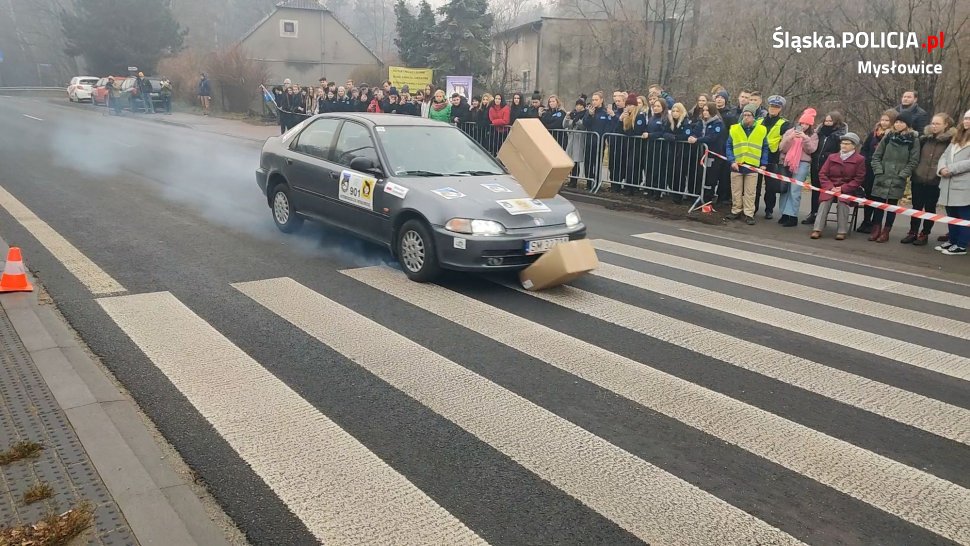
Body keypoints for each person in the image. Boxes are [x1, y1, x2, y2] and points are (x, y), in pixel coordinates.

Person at [869, 109, 921, 242]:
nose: (898, 124)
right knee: (879, 205)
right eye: (896, 122)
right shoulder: (888, 136)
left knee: (892, 206)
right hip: (882, 175)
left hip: (898, 178)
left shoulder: (913, 140)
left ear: (907, 124)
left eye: (901, 122)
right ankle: (876, 229)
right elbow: (876, 156)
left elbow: (913, 161)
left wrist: (903, 174)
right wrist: (878, 170)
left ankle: (886, 231)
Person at [903, 113, 954, 245]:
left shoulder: (950, 142)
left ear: (946, 125)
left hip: (935, 180)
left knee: (930, 208)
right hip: (918, 178)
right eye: (933, 123)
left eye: (938, 124)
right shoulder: (924, 139)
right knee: (916, 207)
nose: (934, 126)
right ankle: (912, 231)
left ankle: (924, 233)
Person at [811, 132, 866, 240]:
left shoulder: (860, 159)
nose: (844, 145)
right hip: (830, 187)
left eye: (847, 143)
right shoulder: (832, 157)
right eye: (842, 143)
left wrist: (843, 188)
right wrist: (831, 187)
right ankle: (817, 229)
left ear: (854, 146)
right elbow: (823, 174)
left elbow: (859, 179)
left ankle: (842, 231)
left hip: (847, 189)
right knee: (824, 202)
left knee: (843, 202)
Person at [725, 103, 769, 224]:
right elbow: (729, 146)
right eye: (744, 115)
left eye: (749, 115)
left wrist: (764, 163)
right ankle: (736, 210)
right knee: (736, 190)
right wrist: (732, 160)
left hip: (752, 165)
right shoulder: (734, 129)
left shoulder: (761, 130)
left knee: (750, 192)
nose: (746, 117)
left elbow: (765, 148)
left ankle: (749, 213)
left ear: (754, 116)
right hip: (737, 165)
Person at [935, 109, 970, 255]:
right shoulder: (957, 137)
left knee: (964, 216)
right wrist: (942, 168)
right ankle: (952, 240)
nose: (967, 121)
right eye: (966, 118)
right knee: (952, 215)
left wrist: (951, 169)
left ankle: (961, 245)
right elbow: (944, 155)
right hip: (948, 183)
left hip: (963, 184)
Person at [858, 109, 898, 233]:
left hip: (883, 170)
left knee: (878, 197)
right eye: (883, 120)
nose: (884, 123)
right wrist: (865, 160)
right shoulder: (874, 133)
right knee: (869, 195)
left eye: (887, 120)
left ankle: (876, 223)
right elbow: (864, 149)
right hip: (869, 168)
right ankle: (866, 220)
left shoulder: (893, 135)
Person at [777, 108, 818, 226]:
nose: (804, 126)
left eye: (807, 124)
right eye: (802, 123)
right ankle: (784, 213)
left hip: (802, 163)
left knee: (795, 190)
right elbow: (782, 148)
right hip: (787, 162)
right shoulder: (790, 132)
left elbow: (811, 150)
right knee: (784, 189)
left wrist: (805, 138)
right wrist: (790, 138)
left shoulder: (813, 135)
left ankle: (792, 215)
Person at [804, 111, 847, 224]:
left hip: (829, 167)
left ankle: (822, 216)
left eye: (830, 121)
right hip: (816, 164)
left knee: (825, 192)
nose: (827, 123)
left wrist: (828, 156)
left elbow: (840, 153)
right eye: (826, 121)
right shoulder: (819, 133)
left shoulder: (839, 137)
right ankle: (813, 213)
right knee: (815, 190)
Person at [753, 95, 791, 219]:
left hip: (773, 157)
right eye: (771, 106)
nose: (773, 109)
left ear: (780, 109)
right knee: (755, 185)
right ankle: (754, 208)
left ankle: (769, 210)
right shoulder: (759, 120)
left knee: (771, 187)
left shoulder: (784, 124)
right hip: (756, 156)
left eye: (776, 107)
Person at [692, 103, 728, 204]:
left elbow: (712, 137)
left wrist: (697, 140)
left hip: (714, 155)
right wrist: (693, 137)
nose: (705, 112)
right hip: (702, 154)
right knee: (700, 175)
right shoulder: (701, 122)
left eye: (707, 110)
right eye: (703, 110)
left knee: (711, 177)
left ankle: (708, 198)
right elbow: (695, 132)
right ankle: (700, 196)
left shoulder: (718, 123)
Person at [564, 96, 589, 187]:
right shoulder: (573, 113)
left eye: (580, 105)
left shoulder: (585, 114)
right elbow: (565, 125)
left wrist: (577, 120)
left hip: (579, 140)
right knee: (571, 161)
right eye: (577, 105)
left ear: (583, 106)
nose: (578, 107)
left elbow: (583, 126)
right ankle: (571, 180)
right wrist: (567, 117)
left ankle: (574, 181)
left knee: (576, 161)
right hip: (571, 139)